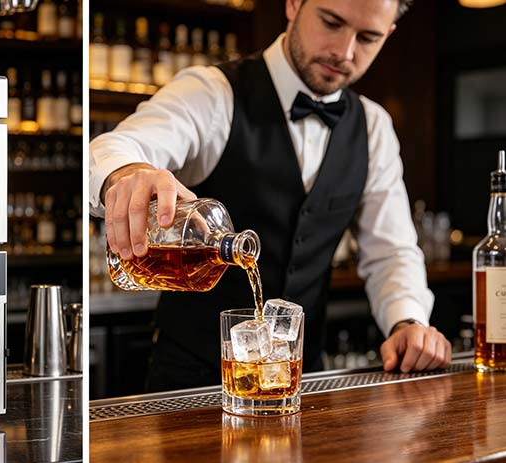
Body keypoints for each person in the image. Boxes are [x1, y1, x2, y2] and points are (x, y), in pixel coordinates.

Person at [89, 0, 452, 392]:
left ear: (389, 34)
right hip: (190, 385)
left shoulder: (374, 127)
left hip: (304, 381)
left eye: (367, 37)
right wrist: (127, 172)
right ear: (294, 3)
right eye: (331, 22)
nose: (344, 52)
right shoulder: (213, 93)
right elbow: (117, 146)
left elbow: (391, 252)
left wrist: (408, 322)